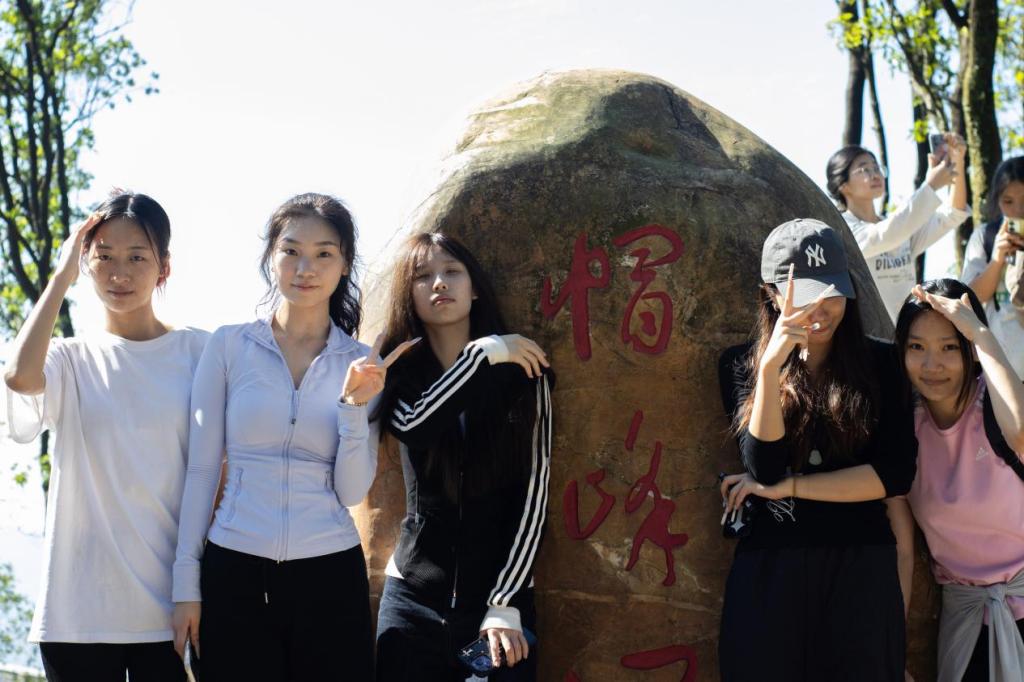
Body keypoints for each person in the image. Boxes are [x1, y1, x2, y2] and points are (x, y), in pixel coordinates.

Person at [171, 193, 415, 681]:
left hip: (329, 574)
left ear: (344, 264)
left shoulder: (362, 362)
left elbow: (351, 491)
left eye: (324, 253)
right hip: (234, 568)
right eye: (291, 251)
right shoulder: (229, 345)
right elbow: (201, 471)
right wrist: (185, 586)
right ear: (271, 256)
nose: (306, 268)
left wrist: (352, 407)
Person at [3, 191, 208, 681]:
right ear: (86, 264)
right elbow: (19, 378)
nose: (120, 274)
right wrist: (60, 278)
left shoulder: (200, 353)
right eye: (104, 257)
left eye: (137, 257)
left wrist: (195, 589)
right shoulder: (68, 358)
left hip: (170, 608)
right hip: (77, 614)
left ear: (164, 268)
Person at [717, 218, 917, 681]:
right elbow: (764, 467)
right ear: (771, 294)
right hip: (771, 570)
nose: (821, 311)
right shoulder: (740, 366)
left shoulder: (885, 364)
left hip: (861, 567)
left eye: (833, 293)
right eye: (805, 296)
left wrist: (793, 487)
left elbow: (894, 474)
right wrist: (771, 370)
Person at [372, 232, 553, 682]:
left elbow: (535, 494)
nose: (439, 283)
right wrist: (481, 355)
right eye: (422, 276)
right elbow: (416, 426)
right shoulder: (400, 375)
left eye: (452, 271)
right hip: (412, 599)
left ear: (474, 288)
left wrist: (505, 601)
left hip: (499, 607)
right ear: (409, 296)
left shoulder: (525, 373)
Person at [887, 279, 1024, 682]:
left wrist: (980, 332)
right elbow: (902, 550)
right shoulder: (902, 432)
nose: (932, 365)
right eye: (917, 347)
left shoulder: (997, 408)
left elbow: (1020, 435)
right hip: (965, 622)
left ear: (971, 350)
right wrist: (892, 645)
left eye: (949, 347)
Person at [826, 136, 969, 322]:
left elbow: (953, 214)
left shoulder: (900, 228)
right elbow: (886, 234)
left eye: (876, 168)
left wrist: (957, 161)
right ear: (843, 185)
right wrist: (931, 186)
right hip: (869, 335)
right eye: (864, 169)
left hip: (904, 332)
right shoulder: (843, 228)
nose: (875, 174)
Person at [961, 156, 1024, 377]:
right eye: (1008, 201)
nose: (1018, 210)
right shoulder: (985, 236)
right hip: (1001, 371)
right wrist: (997, 259)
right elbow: (968, 299)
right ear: (997, 202)